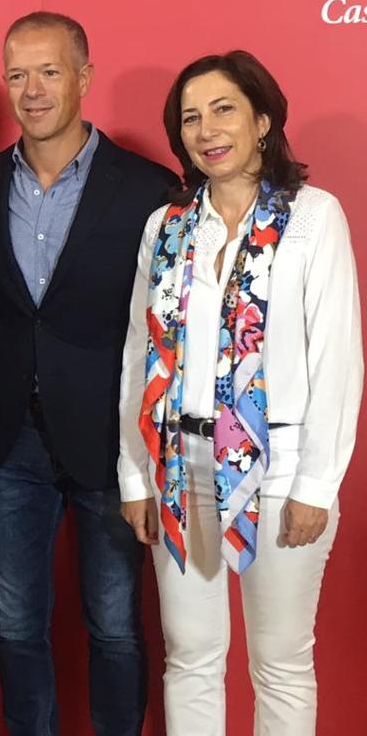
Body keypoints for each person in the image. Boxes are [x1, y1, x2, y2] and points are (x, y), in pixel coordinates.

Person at [118, 50, 362, 736]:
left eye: (223, 109)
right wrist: (134, 473)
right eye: (190, 117)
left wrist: (317, 484)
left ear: (261, 119)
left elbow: (339, 356)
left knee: (280, 660)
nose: (206, 129)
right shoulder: (165, 228)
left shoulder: (314, 217)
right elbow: (141, 360)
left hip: (281, 471)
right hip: (183, 467)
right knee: (191, 656)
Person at [0, 12, 177, 735]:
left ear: (84, 78)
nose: (32, 90)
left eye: (49, 71)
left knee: (115, 627)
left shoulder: (151, 187)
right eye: (17, 74)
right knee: (17, 626)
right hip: (9, 442)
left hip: (111, 442)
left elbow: (165, 326)